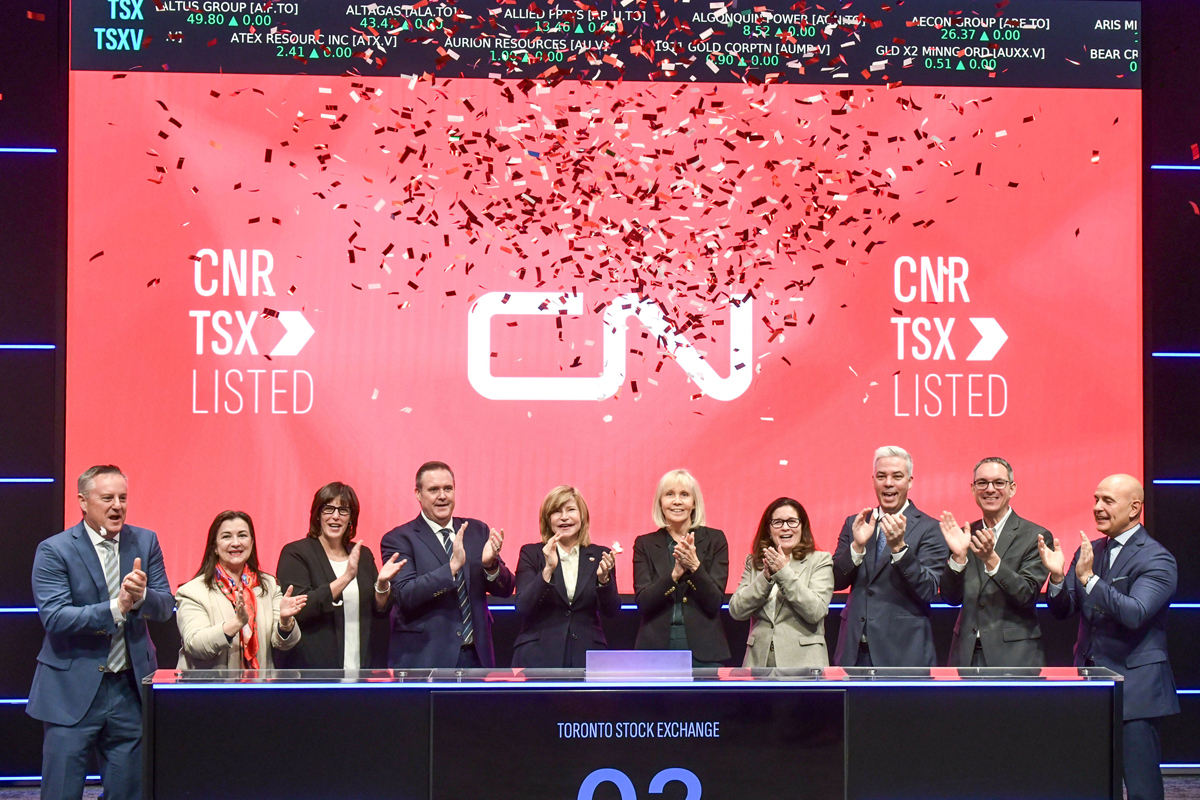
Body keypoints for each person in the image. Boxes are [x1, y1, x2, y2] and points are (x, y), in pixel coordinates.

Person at [28, 465, 173, 800]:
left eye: (123, 498)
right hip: (70, 691)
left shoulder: (145, 541)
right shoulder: (55, 550)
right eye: (107, 498)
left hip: (129, 691)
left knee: (129, 793)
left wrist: (141, 597)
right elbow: (55, 618)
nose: (117, 506)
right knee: (61, 792)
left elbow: (165, 606)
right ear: (83, 501)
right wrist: (117, 607)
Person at [1041, 474, 1178, 800]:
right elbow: (1065, 610)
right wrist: (1059, 578)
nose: (1097, 508)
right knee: (1093, 784)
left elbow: (1135, 614)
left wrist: (1088, 578)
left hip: (1136, 690)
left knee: (1142, 787)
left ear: (1134, 508)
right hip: (1090, 688)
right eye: (1095, 499)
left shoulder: (1157, 558)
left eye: (1107, 501)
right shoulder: (1092, 550)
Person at [380, 461, 514, 669]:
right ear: (418, 494)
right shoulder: (399, 539)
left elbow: (506, 589)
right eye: (433, 490)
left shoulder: (477, 530)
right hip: (425, 659)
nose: (442, 496)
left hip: (477, 658)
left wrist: (490, 565)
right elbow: (405, 594)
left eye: (447, 489)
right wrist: (451, 568)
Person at [832, 446, 948, 667]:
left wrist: (900, 550)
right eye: (881, 476)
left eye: (897, 476)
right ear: (873, 480)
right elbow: (836, 581)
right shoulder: (855, 523)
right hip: (853, 652)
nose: (888, 483)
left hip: (903, 653)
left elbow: (928, 589)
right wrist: (857, 547)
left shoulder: (931, 528)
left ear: (910, 481)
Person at [276, 482, 405, 670]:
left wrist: (383, 585)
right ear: (317, 515)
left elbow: (380, 610)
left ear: (351, 518)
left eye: (343, 510)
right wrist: (346, 577)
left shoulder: (362, 554)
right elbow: (300, 608)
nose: (335, 516)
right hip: (313, 671)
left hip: (361, 666)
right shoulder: (296, 553)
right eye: (328, 509)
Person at [938, 457, 1051, 667]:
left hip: (1014, 656)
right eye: (982, 483)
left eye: (999, 483)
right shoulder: (964, 536)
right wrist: (958, 558)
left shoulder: (1036, 536)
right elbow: (950, 598)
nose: (990, 489)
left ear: (1012, 488)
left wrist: (991, 560)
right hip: (965, 655)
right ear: (973, 489)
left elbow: (1026, 595)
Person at [175, 510, 307, 669]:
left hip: (258, 688)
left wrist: (285, 623)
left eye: (242, 535)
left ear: (251, 543)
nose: (236, 543)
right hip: (210, 690)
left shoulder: (268, 585)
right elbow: (195, 645)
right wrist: (236, 623)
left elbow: (285, 644)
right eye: (226, 536)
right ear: (215, 547)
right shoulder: (192, 591)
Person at [512, 486, 618, 668]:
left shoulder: (601, 554)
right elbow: (522, 606)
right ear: (548, 519)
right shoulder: (532, 553)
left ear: (582, 516)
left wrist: (603, 581)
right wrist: (548, 570)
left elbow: (612, 610)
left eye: (571, 510)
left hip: (587, 654)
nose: (564, 517)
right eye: (556, 512)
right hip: (537, 656)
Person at [632, 469, 730, 666]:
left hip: (704, 651)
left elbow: (714, 602)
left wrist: (695, 566)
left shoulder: (715, 539)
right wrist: (674, 575)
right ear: (660, 502)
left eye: (684, 495)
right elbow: (644, 603)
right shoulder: (645, 544)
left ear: (694, 503)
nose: (677, 501)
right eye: (669, 494)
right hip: (655, 650)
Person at [729, 497, 834, 669]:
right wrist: (765, 579)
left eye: (792, 521)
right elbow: (736, 610)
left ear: (802, 527)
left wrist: (783, 573)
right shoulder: (754, 562)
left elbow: (816, 611)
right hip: (759, 665)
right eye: (778, 522)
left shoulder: (820, 560)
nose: (785, 527)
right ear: (769, 529)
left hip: (805, 664)